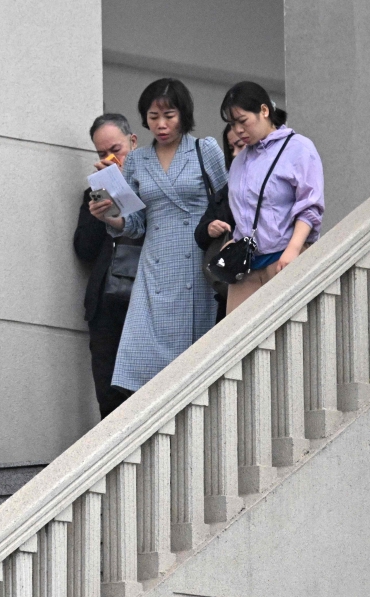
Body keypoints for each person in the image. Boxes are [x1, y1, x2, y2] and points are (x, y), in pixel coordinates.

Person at [90, 78, 227, 393]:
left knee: (190, 368)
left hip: (195, 262)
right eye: (154, 117)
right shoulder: (137, 159)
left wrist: (217, 228)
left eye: (169, 116)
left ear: (184, 114)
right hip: (154, 267)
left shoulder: (204, 150)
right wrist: (111, 216)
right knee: (139, 362)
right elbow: (137, 222)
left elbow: (228, 200)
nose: (162, 124)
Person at [219, 81, 324, 314]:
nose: (237, 130)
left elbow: (310, 206)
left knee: (289, 339)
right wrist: (234, 240)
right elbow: (243, 212)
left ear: (264, 111)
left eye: (242, 121)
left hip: (284, 258)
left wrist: (294, 249)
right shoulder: (239, 162)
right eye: (232, 124)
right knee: (238, 341)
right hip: (245, 268)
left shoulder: (299, 148)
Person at [73, 113, 142, 418]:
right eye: (102, 154)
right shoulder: (95, 192)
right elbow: (84, 250)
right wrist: (100, 206)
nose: (111, 158)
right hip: (105, 302)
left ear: (133, 142)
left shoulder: (156, 186)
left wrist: (128, 191)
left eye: (116, 149)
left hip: (143, 300)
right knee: (108, 392)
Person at [194, 123, 244, 322]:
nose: (235, 154)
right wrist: (209, 229)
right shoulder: (227, 190)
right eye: (231, 148)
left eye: (241, 145)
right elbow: (200, 233)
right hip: (229, 288)